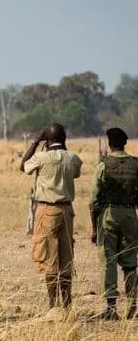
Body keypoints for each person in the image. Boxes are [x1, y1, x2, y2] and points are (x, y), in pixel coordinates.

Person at [20, 123, 82, 314]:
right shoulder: (73, 159)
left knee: (48, 257)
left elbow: (23, 166)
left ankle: (53, 305)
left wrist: (36, 141)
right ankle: (68, 303)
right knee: (66, 259)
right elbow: (76, 172)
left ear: (47, 139)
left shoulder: (41, 157)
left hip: (47, 210)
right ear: (64, 139)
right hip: (67, 212)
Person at [89, 127, 138, 320]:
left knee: (108, 262)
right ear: (125, 143)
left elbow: (93, 200)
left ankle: (110, 308)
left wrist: (94, 228)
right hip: (130, 215)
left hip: (108, 215)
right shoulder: (136, 164)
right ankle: (133, 305)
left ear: (109, 145)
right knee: (131, 263)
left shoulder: (103, 165)